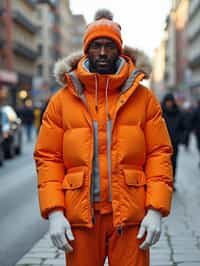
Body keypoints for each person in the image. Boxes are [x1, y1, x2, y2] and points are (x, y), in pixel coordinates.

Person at [34, 9, 173, 266]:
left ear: (119, 51)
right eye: (96, 45)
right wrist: (54, 211)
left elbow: (159, 153)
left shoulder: (143, 99)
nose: (101, 52)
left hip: (131, 219)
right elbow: (48, 157)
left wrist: (155, 209)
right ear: (86, 51)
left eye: (109, 46)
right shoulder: (62, 101)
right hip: (81, 219)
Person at [161, 93, 185, 185]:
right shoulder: (160, 112)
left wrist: (180, 138)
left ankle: (172, 181)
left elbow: (183, 127)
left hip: (174, 144)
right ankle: (164, 181)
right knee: (163, 163)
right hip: (162, 144)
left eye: (170, 102)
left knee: (173, 163)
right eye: (167, 102)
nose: (169, 104)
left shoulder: (178, 113)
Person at [191, 99, 200, 167]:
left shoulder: (196, 110)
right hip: (198, 131)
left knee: (199, 146)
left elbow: (192, 120)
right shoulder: (196, 110)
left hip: (198, 132)